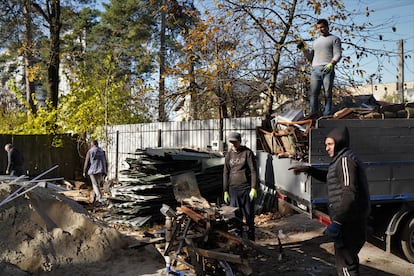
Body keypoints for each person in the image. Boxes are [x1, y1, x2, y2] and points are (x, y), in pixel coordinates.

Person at [289, 126, 370, 276]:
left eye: (330, 144)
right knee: (347, 262)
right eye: (326, 144)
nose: (327, 148)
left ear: (340, 142)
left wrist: (338, 222)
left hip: (349, 223)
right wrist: (309, 170)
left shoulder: (346, 160)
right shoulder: (341, 159)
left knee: (346, 265)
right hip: (347, 221)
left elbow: (349, 192)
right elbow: (331, 178)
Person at [298, 18, 342, 116]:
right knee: (313, 93)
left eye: (322, 27)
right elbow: (311, 58)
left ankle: (327, 114)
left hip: (328, 69)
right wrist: (304, 49)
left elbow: (338, 54)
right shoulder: (315, 42)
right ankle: (313, 113)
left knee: (327, 93)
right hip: (315, 70)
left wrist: (332, 63)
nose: (320, 29)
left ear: (327, 27)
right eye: (318, 28)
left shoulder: (334, 39)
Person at [223, 132, 258, 241]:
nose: (233, 144)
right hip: (233, 190)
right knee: (236, 217)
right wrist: (225, 191)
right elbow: (226, 173)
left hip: (246, 190)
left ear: (239, 141)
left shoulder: (247, 153)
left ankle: (251, 240)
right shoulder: (229, 155)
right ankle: (239, 241)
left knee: (249, 217)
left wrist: (253, 188)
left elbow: (253, 171)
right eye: (231, 142)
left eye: (235, 142)